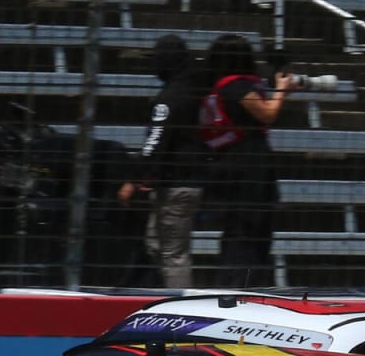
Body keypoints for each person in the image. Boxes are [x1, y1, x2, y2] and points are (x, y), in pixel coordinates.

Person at [200, 34, 294, 287]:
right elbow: (267, 115)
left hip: (233, 162)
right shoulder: (237, 86)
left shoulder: (218, 85)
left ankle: (237, 283)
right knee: (250, 232)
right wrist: (282, 91)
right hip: (248, 167)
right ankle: (242, 286)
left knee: (239, 232)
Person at [118, 34, 206, 290]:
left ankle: (180, 311)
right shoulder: (192, 91)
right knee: (157, 245)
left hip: (177, 185)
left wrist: (133, 180)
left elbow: (156, 142)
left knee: (173, 254)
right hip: (182, 181)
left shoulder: (168, 99)